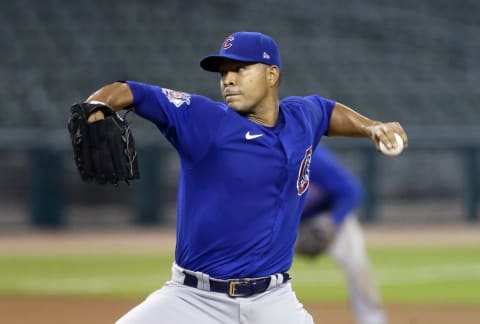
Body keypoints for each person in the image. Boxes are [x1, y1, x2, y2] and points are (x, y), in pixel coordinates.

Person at [82, 32, 407, 324]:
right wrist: (97, 105)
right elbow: (132, 92)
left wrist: (371, 126)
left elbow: (328, 111)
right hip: (193, 300)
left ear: (271, 74)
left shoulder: (300, 117)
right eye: (224, 72)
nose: (228, 79)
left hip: (274, 301)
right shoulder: (204, 120)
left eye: (240, 69)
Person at [295, 145, 388, 324]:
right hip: (291, 224)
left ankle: (373, 320)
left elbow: (351, 192)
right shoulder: (266, 161)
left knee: (357, 265)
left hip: (328, 218)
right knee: (264, 270)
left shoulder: (315, 158)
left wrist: (332, 221)